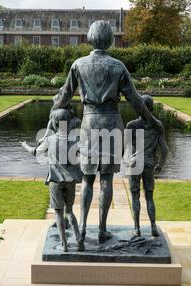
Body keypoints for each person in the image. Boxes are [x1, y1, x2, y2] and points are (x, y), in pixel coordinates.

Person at [52, 20, 163, 243]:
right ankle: (101, 230)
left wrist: (54, 111)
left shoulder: (78, 64)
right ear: (111, 40)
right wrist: (151, 120)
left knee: (87, 179)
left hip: (89, 124)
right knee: (106, 180)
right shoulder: (117, 66)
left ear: (90, 38)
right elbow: (135, 100)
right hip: (112, 122)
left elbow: (64, 97)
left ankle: (82, 228)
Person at [21, 109, 84, 252]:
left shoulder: (49, 140)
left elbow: (35, 152)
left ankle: (64, 244)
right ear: (68, 122)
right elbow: (88, 152)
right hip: (70, 181)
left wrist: (24, 145)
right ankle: (79, 238)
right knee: (70, 211)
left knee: (58, 212)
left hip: (55, 180)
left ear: (54, 123)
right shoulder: (74, 139)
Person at [124, 95, 168, 237]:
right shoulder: (157, 126)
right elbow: (165, 149)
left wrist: (127, 162)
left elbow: (126, 148)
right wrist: (160, 165)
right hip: (148, 163)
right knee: (149, 197)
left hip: (135, 163)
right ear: (151, 107)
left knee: (135, 196)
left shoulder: (131, 125)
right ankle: (153, 227)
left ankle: (137, 228)